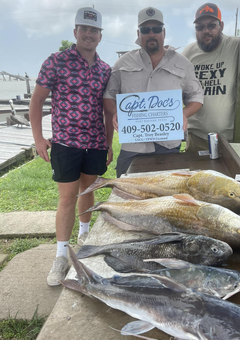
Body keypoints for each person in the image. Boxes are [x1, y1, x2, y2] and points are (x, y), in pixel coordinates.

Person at [29, 7, 113, 286]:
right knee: (66, 199)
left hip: (96, 143)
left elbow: (107, 110)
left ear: (100, 36)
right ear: (75, 32)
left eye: (94, 30)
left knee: (87, 191)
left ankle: (85, 235)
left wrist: (109, 143)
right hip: (66, 142)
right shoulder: (56, 61)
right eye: (84, 29)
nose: (89, 34)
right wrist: (39, 139)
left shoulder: (105, 69)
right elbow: (37, 101)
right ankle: (61, 255)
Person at [103, 7, 203, 177]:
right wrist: (115, 113)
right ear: (138, 33)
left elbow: (196, 97)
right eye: (145, 30)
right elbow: (109, 96)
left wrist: (183, 113)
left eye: (156, 29)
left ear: (163, 32)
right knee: (125, 194)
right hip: (133, 145)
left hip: (168, 146)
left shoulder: (182, 63)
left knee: (166, 197)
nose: (151, 34)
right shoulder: (122, 63)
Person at [182, 3, 240, 152]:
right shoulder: (189, 52)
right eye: (200, 27)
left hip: (230, 137)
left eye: (211, 25)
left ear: (221, 25)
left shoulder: (239, 47)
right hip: (196, 137)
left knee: (230, 174)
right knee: (195, 175)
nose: (206, 31)